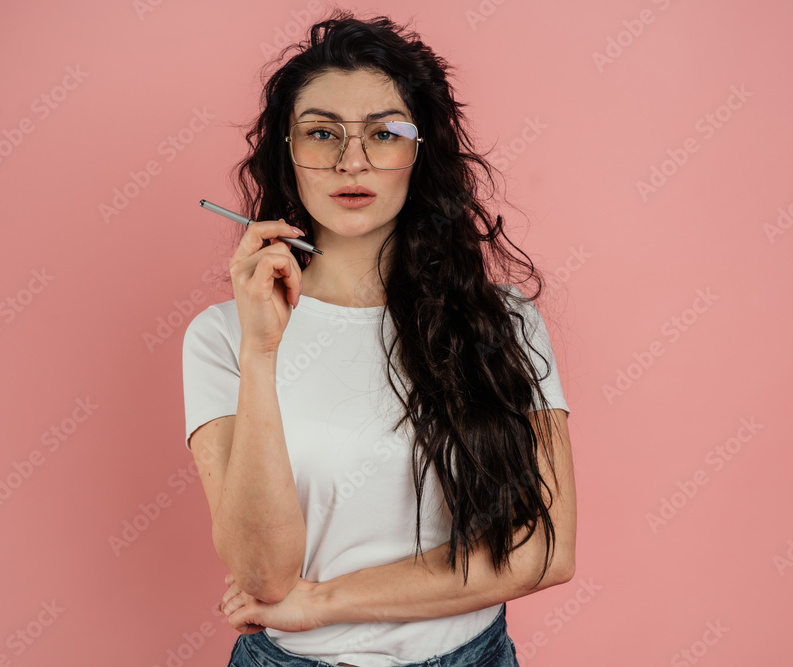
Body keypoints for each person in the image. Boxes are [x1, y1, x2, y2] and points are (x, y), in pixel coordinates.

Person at [181, 10, 576, 667]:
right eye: (322, 132)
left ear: (419, 151)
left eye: (384, 133)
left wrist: (325, 600)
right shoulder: (222, 336)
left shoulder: (502, 321)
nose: (351, 160)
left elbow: (544, 550)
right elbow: (264, 577)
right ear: (287, 151)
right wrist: (261, 351)